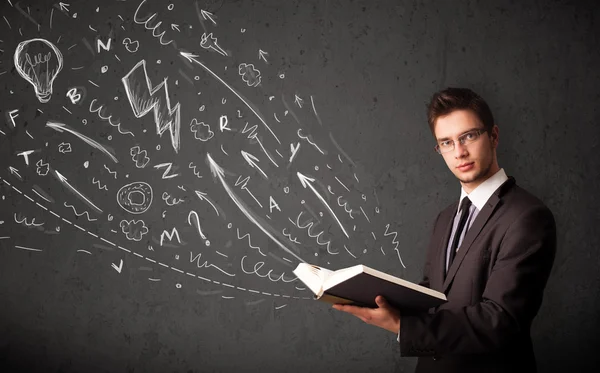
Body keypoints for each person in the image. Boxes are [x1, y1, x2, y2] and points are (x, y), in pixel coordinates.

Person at [332, 87, 557, 373]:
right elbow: (434, 295)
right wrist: (378, 298)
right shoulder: (445, 217)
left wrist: (403, 326)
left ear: (494, 136)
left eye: (469, 136)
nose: (459, 152)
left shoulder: (527, 216)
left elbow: (500, 320)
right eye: (446, 143)